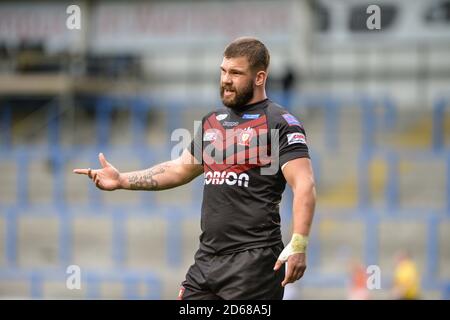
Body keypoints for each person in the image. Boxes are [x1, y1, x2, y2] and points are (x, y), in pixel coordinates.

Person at [73, 37, 316, 300]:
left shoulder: (280, 123)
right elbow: (179, 169)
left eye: (236, 73)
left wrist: (298, 244)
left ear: (259, 78)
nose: (226, 79)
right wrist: (122, 179)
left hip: (254, 261)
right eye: (223, 71)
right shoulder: (213, 122)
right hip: (207, 260)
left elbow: (304, 185)